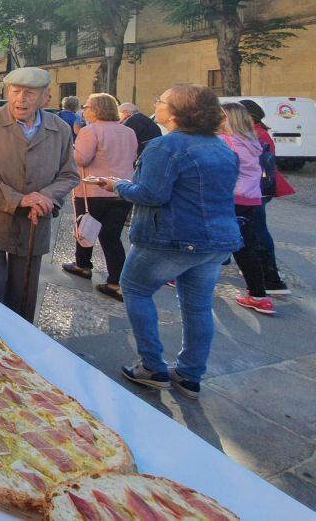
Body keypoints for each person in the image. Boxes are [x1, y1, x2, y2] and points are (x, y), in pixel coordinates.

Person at [97, 84, 242, 399]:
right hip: (216, 241)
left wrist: (117, 187)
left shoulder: (166, 146)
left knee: (135, 289)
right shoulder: (221, 147)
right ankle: (190, 374)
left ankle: (152, 366)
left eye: (160, 100)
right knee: (198, 306)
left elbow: (151, 194)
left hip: (171, 239)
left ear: (176, 113)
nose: (156, 103)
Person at [0, 67, 78, 322]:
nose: (21, 99)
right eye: (16, 92)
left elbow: (69, 174)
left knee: (23, 294)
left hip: (34, 222)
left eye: (30, 93)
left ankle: (18, 350)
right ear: (7, 93)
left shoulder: (59, 129)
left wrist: (46, 196)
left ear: (45, 98)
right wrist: (19, 199)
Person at [61, 93, 137, 301]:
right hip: (122, 190)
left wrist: (71, 147)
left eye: (86, 107)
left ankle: (82, 265)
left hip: (93, 190)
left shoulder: (90, 130)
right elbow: (132, 157)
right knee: (111, 237)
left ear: (96, 109)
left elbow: (81, 159)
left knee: (85, 227)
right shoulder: (128, 131)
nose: (83, 110)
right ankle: (116, 281)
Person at [218, 103, 275, 315]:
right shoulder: (251, 140)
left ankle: (185, 278)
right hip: (250, 198)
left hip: (229, 198)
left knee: (208, 240)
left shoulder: (225, 142)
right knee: (245, 247)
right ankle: (259, 295)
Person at [238, 99, 293, 295]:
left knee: (256, 232)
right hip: (257, 189)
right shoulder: (257, 133)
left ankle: (271, 278)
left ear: (250, 116)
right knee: (253, 230)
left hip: (256, 189)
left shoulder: (257, 134)